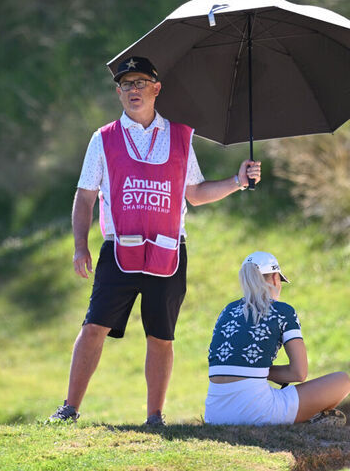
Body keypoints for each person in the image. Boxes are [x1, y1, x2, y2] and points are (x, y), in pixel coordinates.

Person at [49, 56, 262, 425]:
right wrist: (80, 245)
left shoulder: (180, 136)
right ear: (118, 92)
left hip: (168, 252)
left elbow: (194, 193)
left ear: (156, 88)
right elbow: (84, 196)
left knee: (161, 336)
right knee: (94, 326)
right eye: (126, 84)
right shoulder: (103, 139)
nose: (134, 90)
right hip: (119, 250)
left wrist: (237, 180)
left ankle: (155, 417)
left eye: (141, 82)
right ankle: (69, 408)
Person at [205, 251, 350, 425]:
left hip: (214, 414)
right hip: (257, 412)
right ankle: (306, 421)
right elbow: (299, 373)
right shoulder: (283, 311)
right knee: (343, 380)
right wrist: (267, 372)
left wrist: (257, 370)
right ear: (275, 279)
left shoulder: (227, 310)